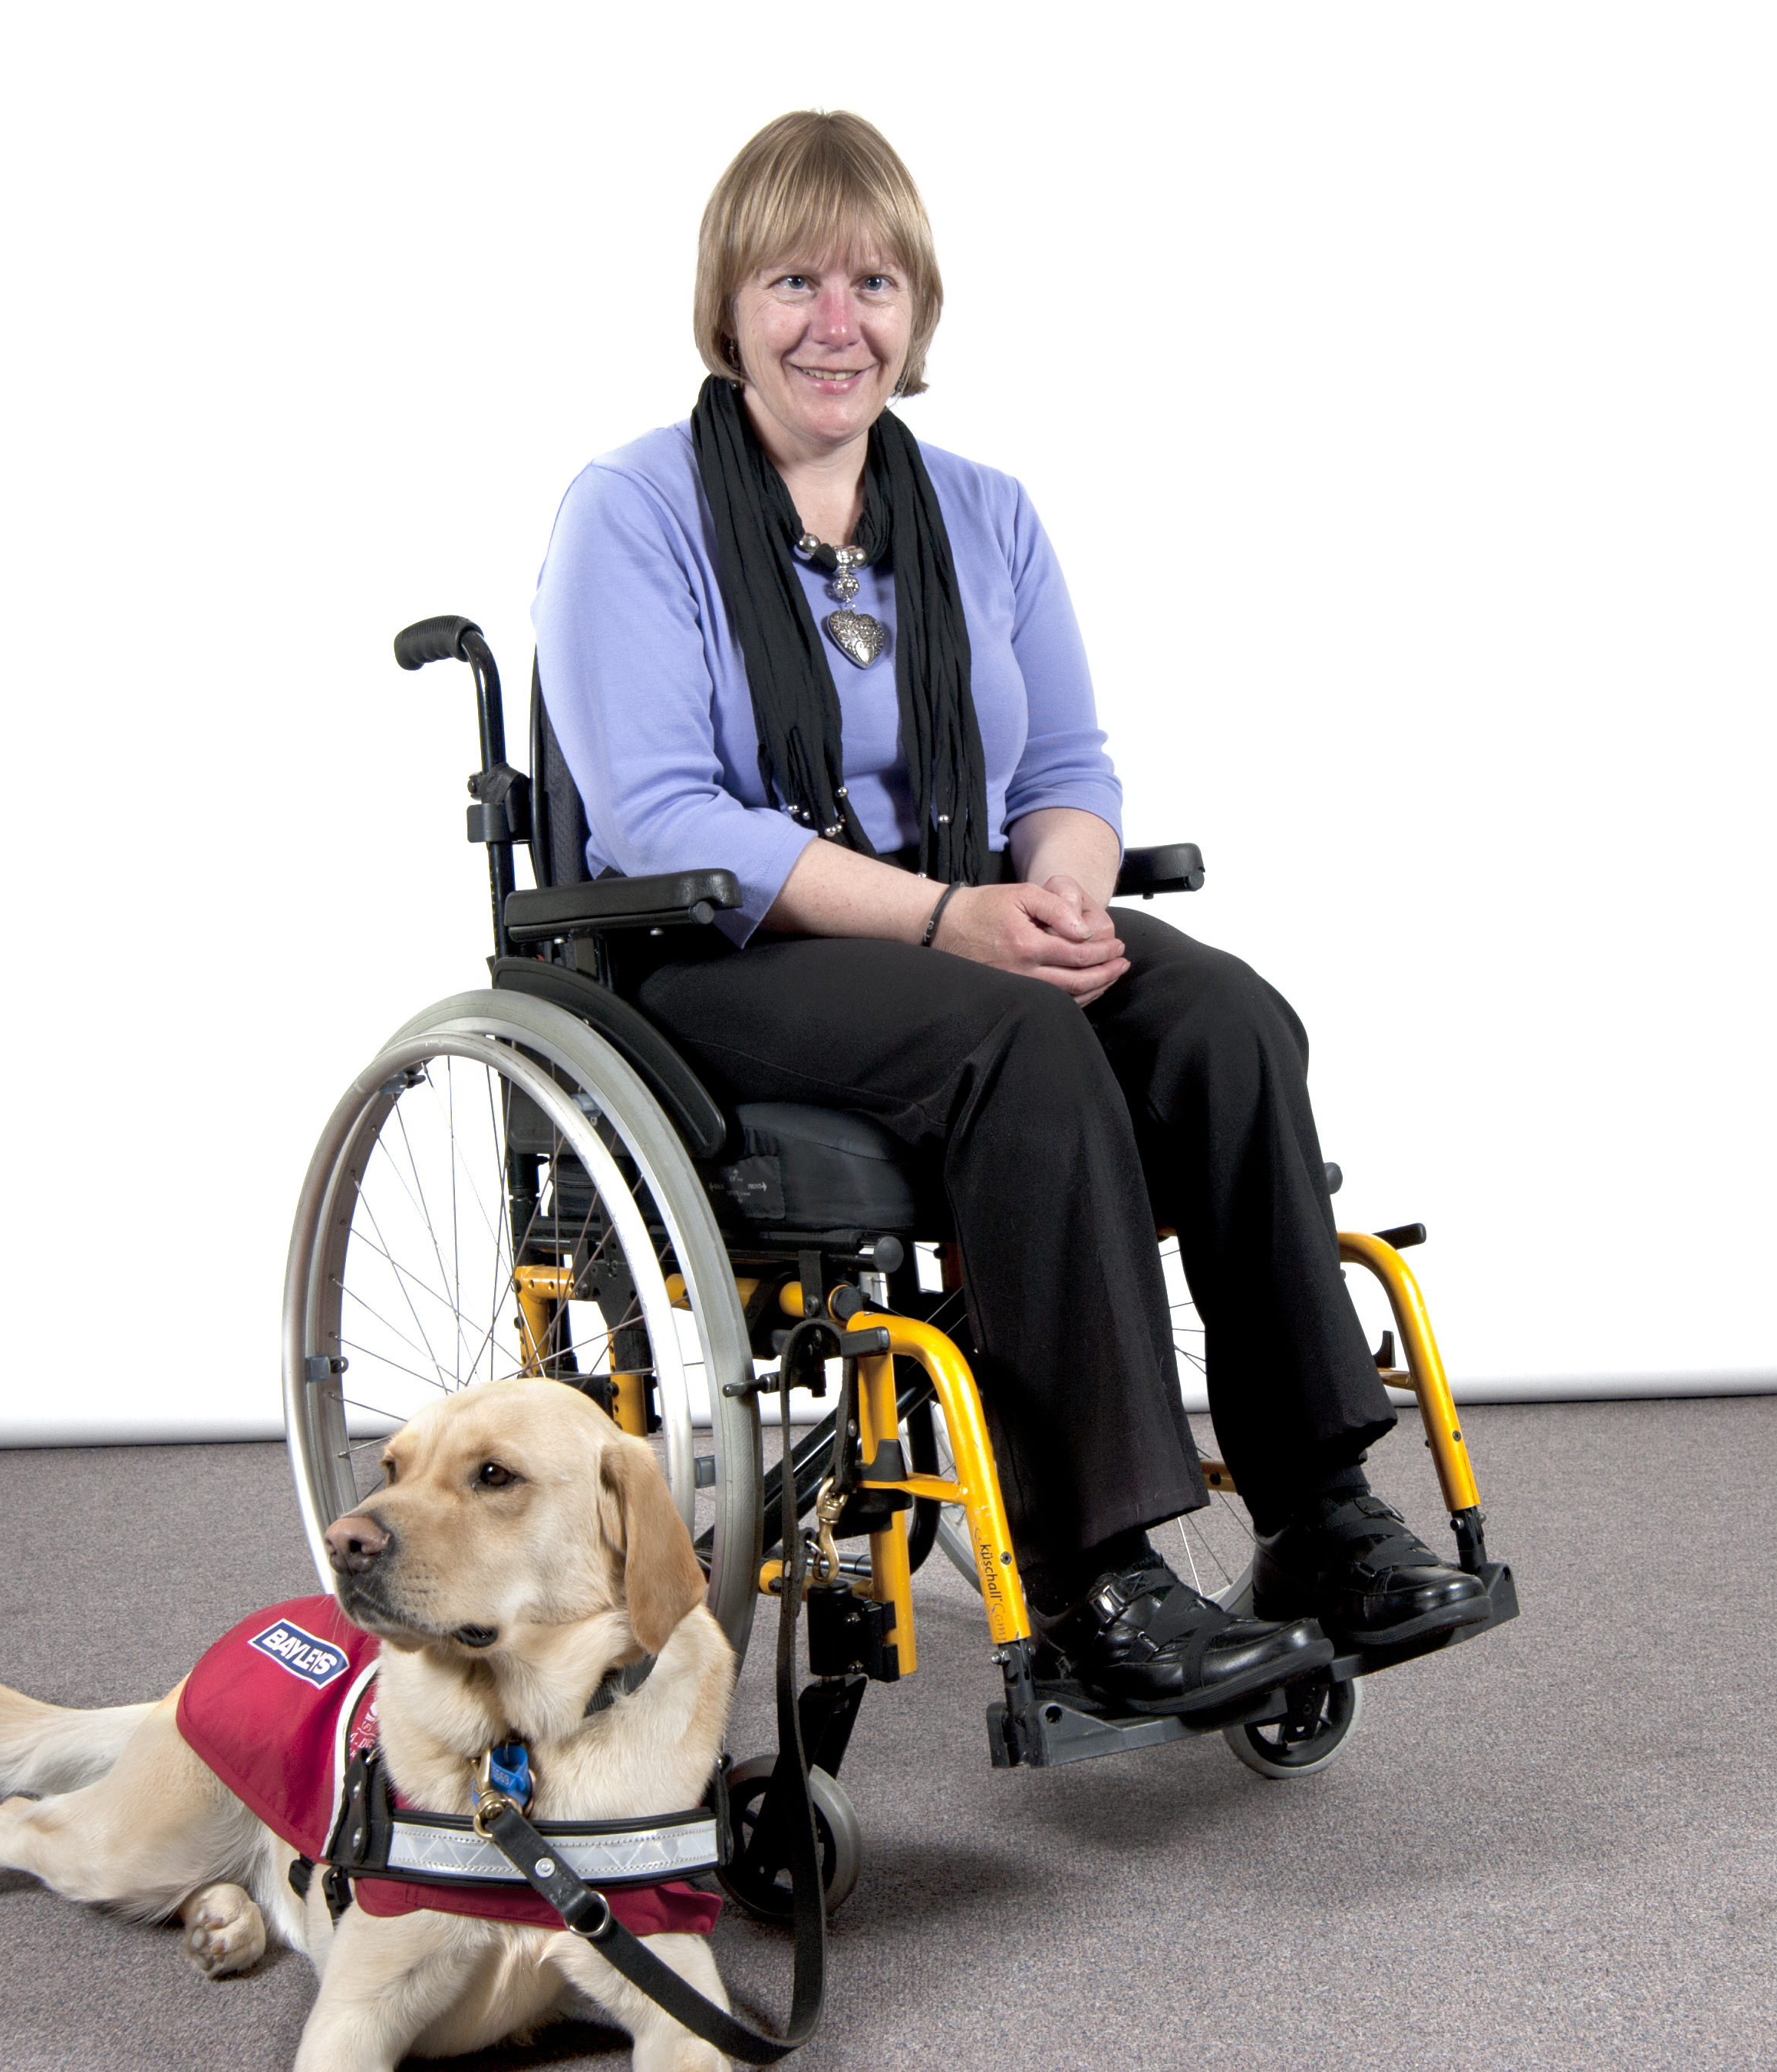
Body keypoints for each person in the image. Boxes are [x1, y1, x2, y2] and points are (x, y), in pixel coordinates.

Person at [531, 111, 1489, 1713]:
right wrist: (945, 921)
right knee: (1016, 1044)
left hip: (957, 926)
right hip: (717, 956)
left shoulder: (983, 512)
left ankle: (1317, 1512)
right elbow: (661, 816)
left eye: (873, 284)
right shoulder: (631, 510)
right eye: (792, 283)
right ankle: (1093, 1572)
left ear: (917, 311)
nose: (836, 323)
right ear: (727, 305)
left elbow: (1064, 767)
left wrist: (1059, 894)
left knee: (1224, 1019)